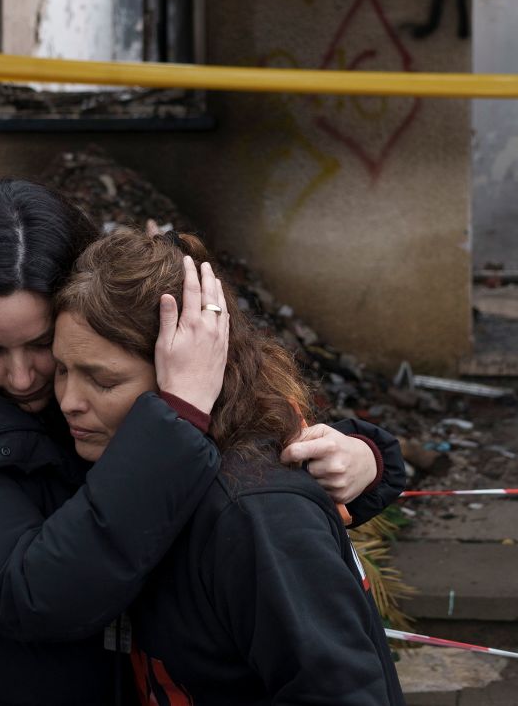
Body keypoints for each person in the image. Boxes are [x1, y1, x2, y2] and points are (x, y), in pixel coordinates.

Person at [0, 180, 402, 706]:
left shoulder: (111, 382)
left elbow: (247, 463)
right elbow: (32, 592)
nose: (24, 379)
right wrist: (175, 419)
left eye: (42, 347)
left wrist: (362, 460)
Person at [53, 227, 407, 706]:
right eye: (61, 369)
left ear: (189, 371)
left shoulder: (253, 515)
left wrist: (369, 454)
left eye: (103, 380)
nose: (69, 401)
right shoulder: (112, 461)